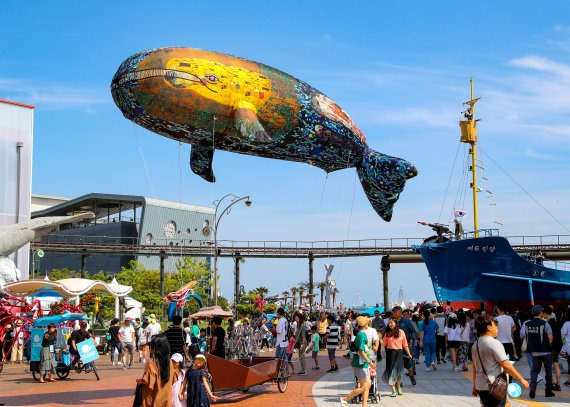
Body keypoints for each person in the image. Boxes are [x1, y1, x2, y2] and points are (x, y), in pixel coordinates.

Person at [472, 314, 529, 407]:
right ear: (489, 327)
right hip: (494, 387)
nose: (497, 329)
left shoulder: (475, 344)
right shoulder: (494, 343)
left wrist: (474, 385)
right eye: (495, 326)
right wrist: (522, 380)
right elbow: (505, 364)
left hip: (480, 386)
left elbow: (475, 367)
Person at [520, 304, 555, 398]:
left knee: (535, 371)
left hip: (534, 352)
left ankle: (533, 388)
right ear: (540, 313)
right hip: (546, 351)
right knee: (548, 371)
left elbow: (524, 335)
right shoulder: (545, 323)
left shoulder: (527, 324)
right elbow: (550, 337)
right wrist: (548, 345)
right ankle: (548, 391)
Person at [340, 316, 375, 407]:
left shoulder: (360, 334)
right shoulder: (361, 335)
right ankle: (345, 399)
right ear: (366, 324)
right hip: (361, 364)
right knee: (365, 386)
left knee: (367, 386)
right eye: (368, 322)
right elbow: (361, 350)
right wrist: (370, 362)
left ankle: (364, 405)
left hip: (361, 363)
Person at [137, 334, 176, 406]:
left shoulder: (151, 362)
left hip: (153, 398)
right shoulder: (170, 362)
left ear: (155, 348)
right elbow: (173, 380)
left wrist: (139, 381)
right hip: (166, 399)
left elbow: (148, 382)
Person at [381, 317, 413, 397]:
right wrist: (379, 339)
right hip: (390, 353)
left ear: (396, 323)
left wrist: (409, 354)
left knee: (399, 372)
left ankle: (398, 387)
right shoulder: (387, 333)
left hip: (399, 353)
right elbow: (384, 344)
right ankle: (393, 390)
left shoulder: (401, 332)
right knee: (391, 371)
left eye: (392, 322)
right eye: (389, 323)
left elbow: (405, 344)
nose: (390, 324)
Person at [391, 306, 416, 384]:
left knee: (408, 364)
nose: (394, 313)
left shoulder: (406, 321)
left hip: (405, 346)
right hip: (395, 347)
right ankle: (399, 382)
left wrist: (412, 339)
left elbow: (413, 331)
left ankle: (411, 376)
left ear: (400, 313)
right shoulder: (392, 322)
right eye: (393, 311)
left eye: (396, 312)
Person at [544, 306, 562, 391]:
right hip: (558, 346)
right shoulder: (558, 322)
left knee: (548, 366)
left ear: (545, 313)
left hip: (551, 347)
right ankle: (558, 384)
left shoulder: (547, 323)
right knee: (556, 365)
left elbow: (548, 337)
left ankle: (552, 382)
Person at [561, 307, 570, 387]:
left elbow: (563, 336)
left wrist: (563, 348)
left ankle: (569, 380)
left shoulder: (566, 324)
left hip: (568, 348)